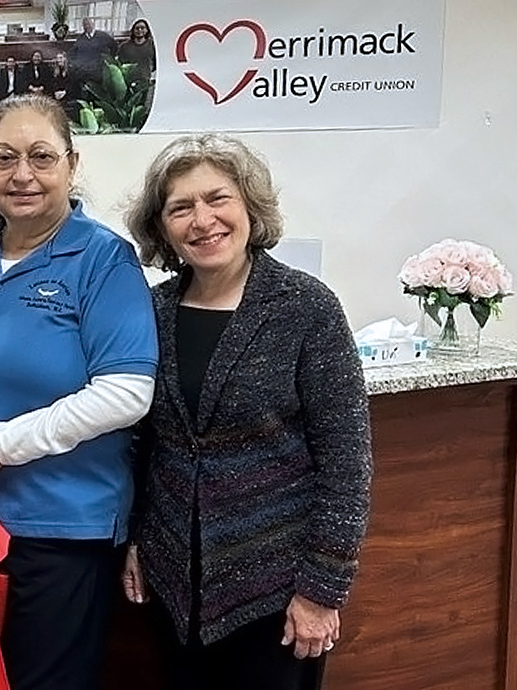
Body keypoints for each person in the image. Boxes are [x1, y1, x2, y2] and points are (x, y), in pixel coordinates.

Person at [0, 94, 159, 690]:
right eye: (5, 158)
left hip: (60, 531)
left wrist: (5, 444)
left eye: (42, 157)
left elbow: (128, 390)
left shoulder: (104, 261)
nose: (22, 174)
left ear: (71, 165)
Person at [121, 133, 372, 690]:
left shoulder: (307, 308)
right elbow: (144, 443)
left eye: (218, 199)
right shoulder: (152, 310)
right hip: (173, 586)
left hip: (276, 593)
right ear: (161, 227)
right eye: (180, 207)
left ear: (249, 208)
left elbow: (346, 467)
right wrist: (138, 536)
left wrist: (321, 591)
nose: (202, 220)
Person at [69, 17, 116, 91]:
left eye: (88, 24)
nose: (87, 26)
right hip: (85, 71)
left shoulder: (103, 36)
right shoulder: (80, 38)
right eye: (84, 25)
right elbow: (74, 52)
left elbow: (114, 47)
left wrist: (109, 59)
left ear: (93, 24)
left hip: (99, 70)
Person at [117, 19, 156, 85]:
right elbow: (120, 64)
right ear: (133, 30)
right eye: (137, 28)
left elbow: (156, 63)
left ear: (147, 30)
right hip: (128, 82)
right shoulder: (124, 46)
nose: (139, 30)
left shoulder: (153, 45)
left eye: (142, 28)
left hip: (146, 82)